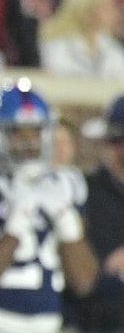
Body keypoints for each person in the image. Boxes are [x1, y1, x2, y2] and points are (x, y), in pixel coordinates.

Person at [0, 77, 99, 333]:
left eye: (36, 131)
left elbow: (84, 283)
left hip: (50, 325)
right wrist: (17, 223)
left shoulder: (65, 184)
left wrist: (66, 221)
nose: (29, 142)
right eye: (17, 132)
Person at [69, 95, 124, 332]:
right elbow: (79, 276)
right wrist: (106, 267)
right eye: (116, 140)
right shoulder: (84, 190)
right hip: (99, 316)